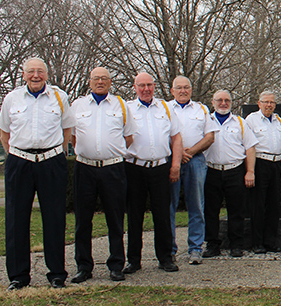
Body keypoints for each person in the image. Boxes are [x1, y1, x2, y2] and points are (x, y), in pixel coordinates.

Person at [0, 58, 75, 290]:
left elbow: (67, 129)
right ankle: (18, 276)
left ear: (46, 74)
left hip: (51, 162)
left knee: (54, 219)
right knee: (16, 220)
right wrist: (16, 155)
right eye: (31, 71)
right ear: (23, 74)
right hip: (19, 162)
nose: (35, 75)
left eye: (40, 71)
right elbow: (4, 133)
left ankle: (57, 274)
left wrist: (56, 154)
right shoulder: (12, 98)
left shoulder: (60, 97)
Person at [70, 67, 138, 283]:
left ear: (110, 82)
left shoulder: (122, 106)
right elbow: (72, 138)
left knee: (115, 219)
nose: (100, 82)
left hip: (113, 169)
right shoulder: (77, 105)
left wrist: (109, 152)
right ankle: (83, 266)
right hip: (85, 168)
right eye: (96, 79)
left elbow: (128, 137)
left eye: (104, 79)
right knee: (83, 220)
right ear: (89, 82)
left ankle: (116, 264)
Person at [122, 72, 183, 275]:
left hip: (161, 168)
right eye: (142, 85)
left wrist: (175, 165)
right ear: (135, 86)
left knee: (162, 215)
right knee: (134, 215)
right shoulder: (127, 109)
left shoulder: (165, 108)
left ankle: (165, 258)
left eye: (149, 85)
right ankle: (133, 261)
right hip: (134, 167)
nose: (146, 89)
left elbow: (176, 138)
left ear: (154, 86)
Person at [167, 76, 218, 265]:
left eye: (186, 87)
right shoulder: (164, 109)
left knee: (196, 205)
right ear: (172, 91)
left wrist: (190, 152)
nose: (183, 91)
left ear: (191, 90)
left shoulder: (201, 109)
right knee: (169, 206)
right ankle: (169, 249)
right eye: (179, 88)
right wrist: (178, 154)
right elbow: (160, 135)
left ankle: (195, 248)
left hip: (195, 161)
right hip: (172, 161)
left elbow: (210, 137)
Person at [202, 90, 258, 258]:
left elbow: (250, 148)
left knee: (237, 210)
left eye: (227, 100)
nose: (223, 103)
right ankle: (212, 245)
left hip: (235, 171)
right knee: (210, 211)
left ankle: (236, 245)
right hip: (211, 171)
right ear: (213, 102)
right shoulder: (205, 122)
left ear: (231, 102)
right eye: (220, 100)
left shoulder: (240, 123)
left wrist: (250, 171)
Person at [245, 91, 281, 254]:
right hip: (260, 163)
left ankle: (270, 242)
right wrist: (250, 170)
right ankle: (257, 243)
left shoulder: (278, 120)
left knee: (273, 206)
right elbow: (248, 145)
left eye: (272, 102)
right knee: (258, 205)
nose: (269, 105)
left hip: (276, 164)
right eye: (265, 102)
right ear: (259, 103)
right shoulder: (251, 119)